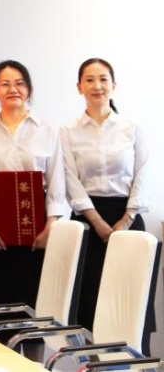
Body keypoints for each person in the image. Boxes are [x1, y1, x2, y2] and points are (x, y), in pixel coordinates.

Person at [61, 58, 153, 349]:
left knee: (131, 303)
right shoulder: (68, 130)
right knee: (90, 303)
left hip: (127, 220)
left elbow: (142, 174)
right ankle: (93, 364)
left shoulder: (132, 127)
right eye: (89, 80)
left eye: (103, 79)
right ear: (79, 87)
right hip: (88, 224)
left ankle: (136, 363)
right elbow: (70, 178)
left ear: (114, 85)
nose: (97, 86)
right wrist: (97, 222)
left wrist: (126, 220)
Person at [0, 60, 65, 331]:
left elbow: (56, 184)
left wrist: (50, 227)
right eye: (5, 84)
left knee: (36, 310)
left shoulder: (47, 131)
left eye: (19, 83)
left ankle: (34, 357)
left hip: (38, 233)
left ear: (28, 89)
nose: (13, 89)